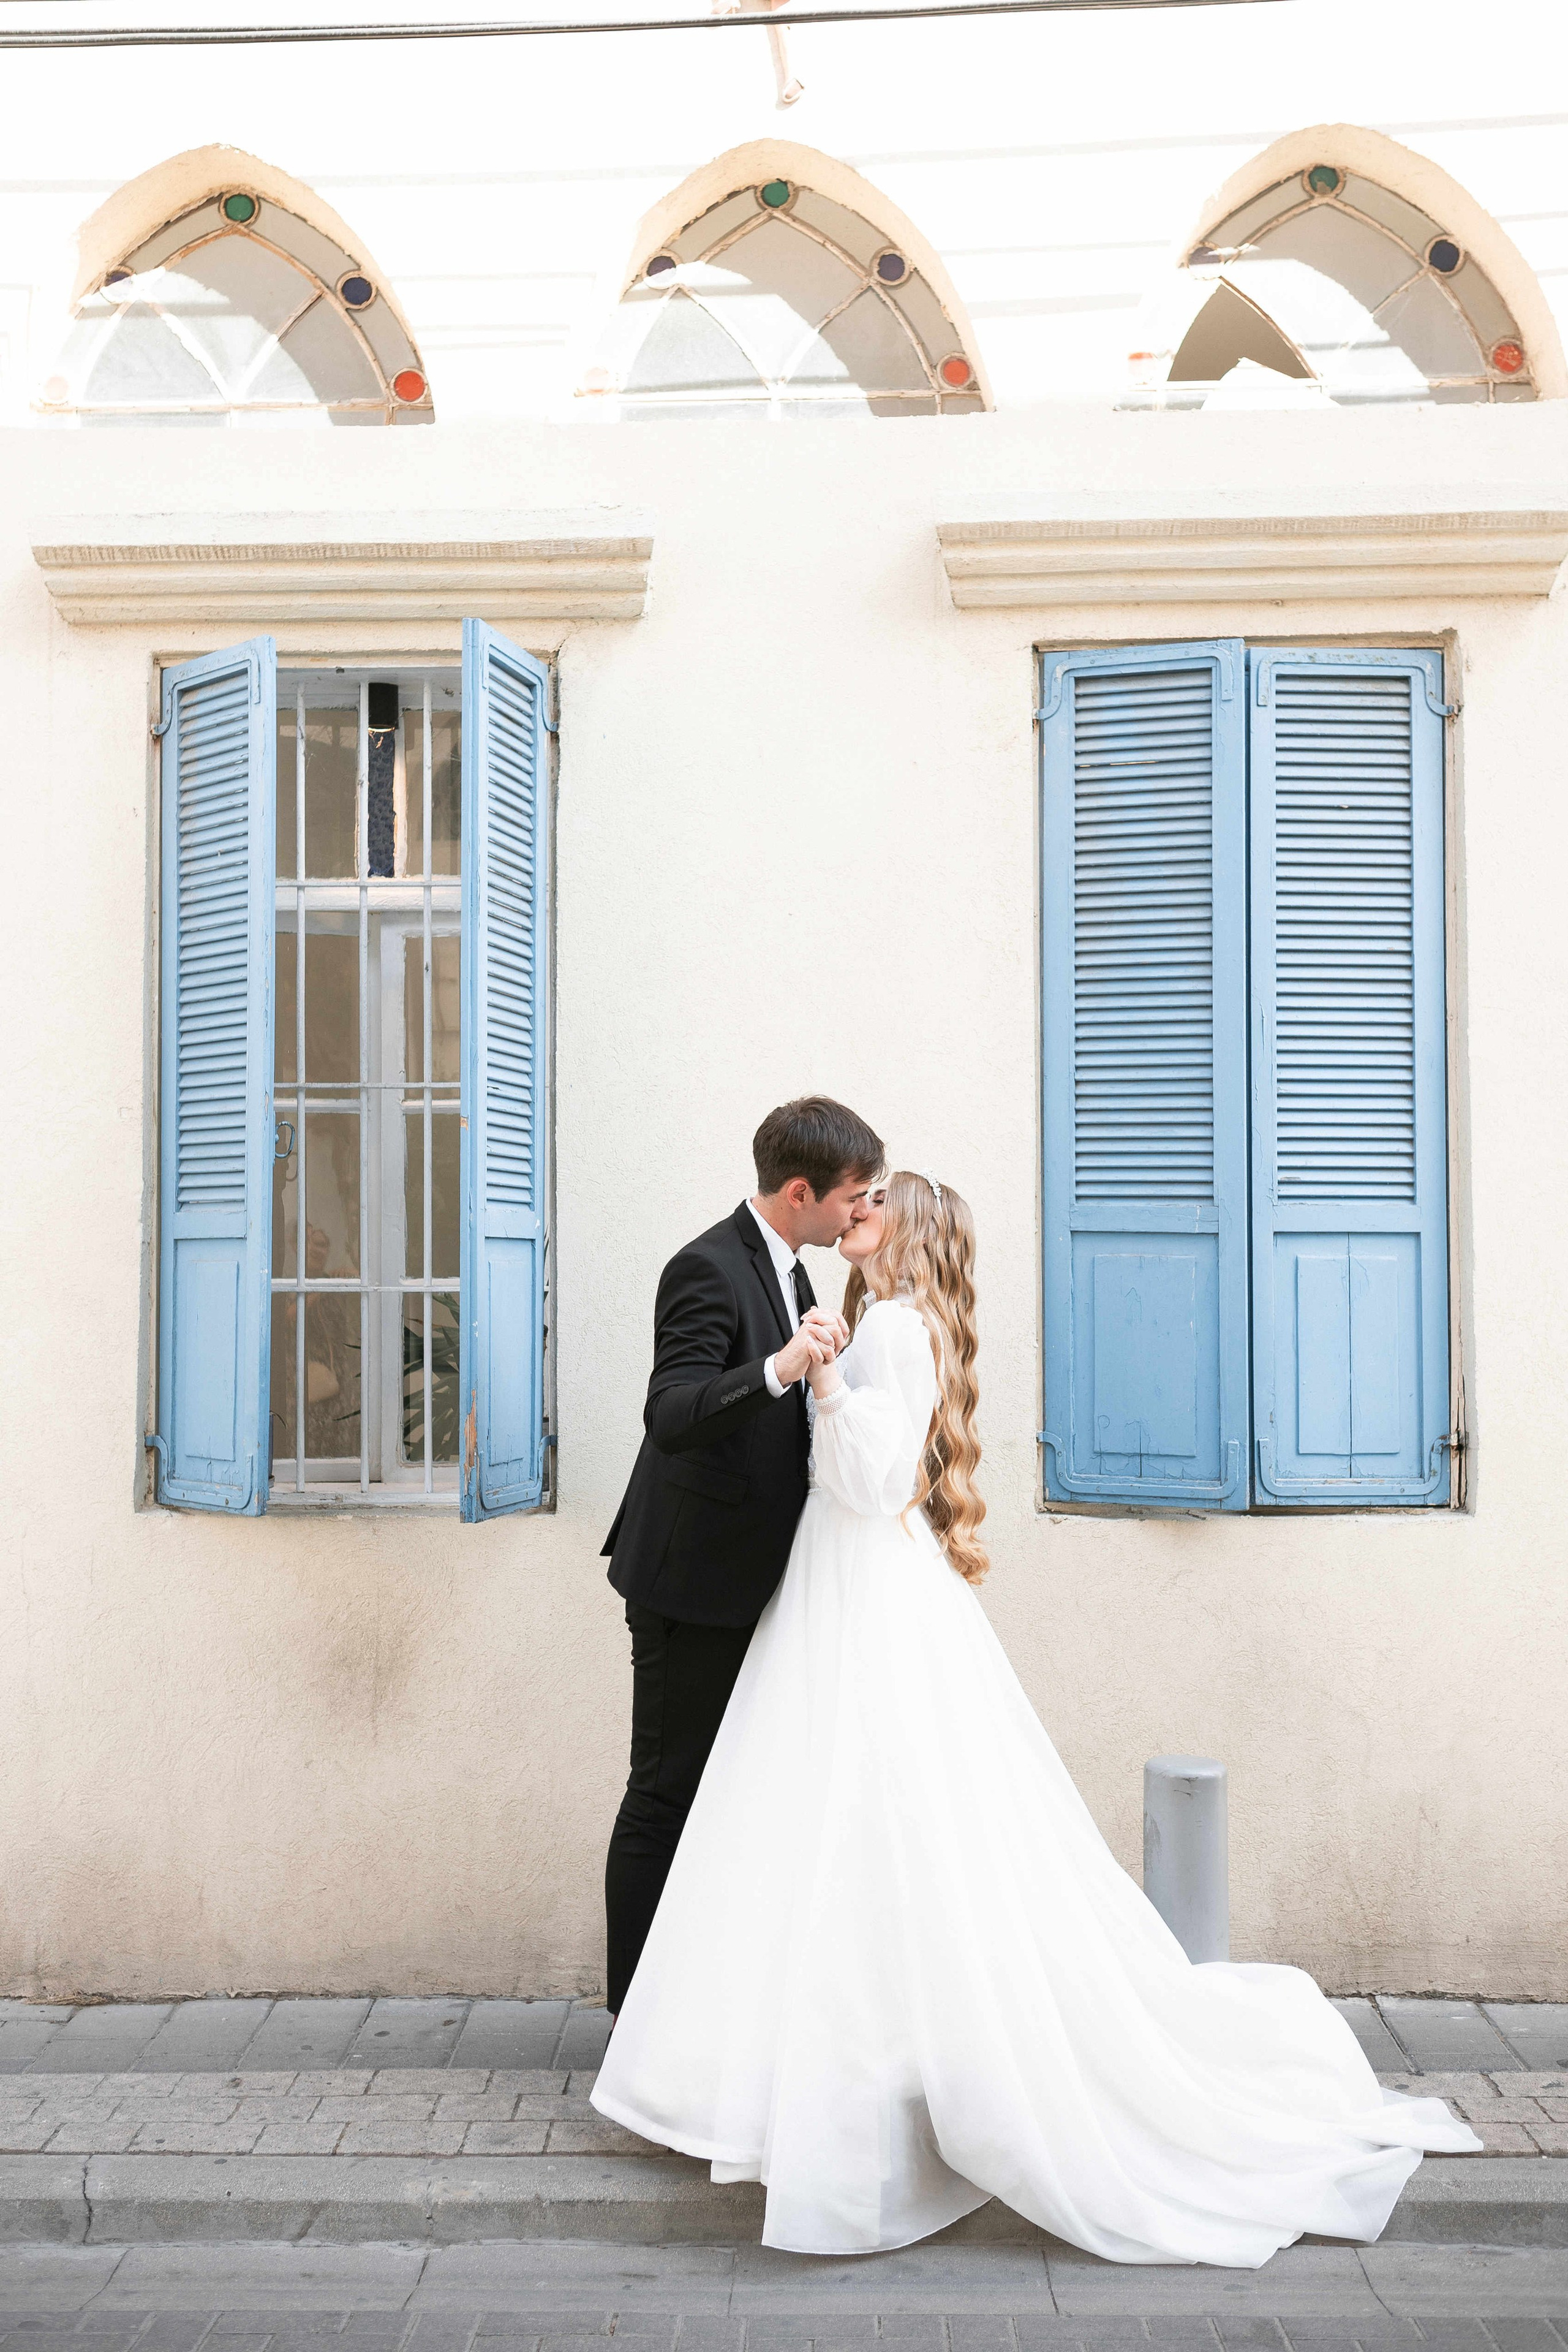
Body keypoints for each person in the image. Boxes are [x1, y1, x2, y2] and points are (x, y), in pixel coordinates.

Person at [592, 1170, 1480, 2264]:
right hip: (841, 1589)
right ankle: (826, 2060)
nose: (856, 1215)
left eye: (877, 1205)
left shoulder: (897, 1332)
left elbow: (873, 1484)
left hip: (862, 1587)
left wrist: (821, 1385)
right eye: (853, 1201)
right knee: (842, 1826)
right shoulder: (880, 1322)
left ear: (908, 1233)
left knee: (862, 1821)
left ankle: (850, 2076)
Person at [600, 1095, 885, 2021]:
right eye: (851, 1196)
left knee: (729, 1797)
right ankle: (633, 2020)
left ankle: (697, 2014)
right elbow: (672, 1415)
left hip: (754, 1581)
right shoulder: (706, 1267)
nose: (858, 1211)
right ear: (800, 1190)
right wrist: (781, 1370)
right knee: (666, 1793)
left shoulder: (795, 1276)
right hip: (691, 1582)